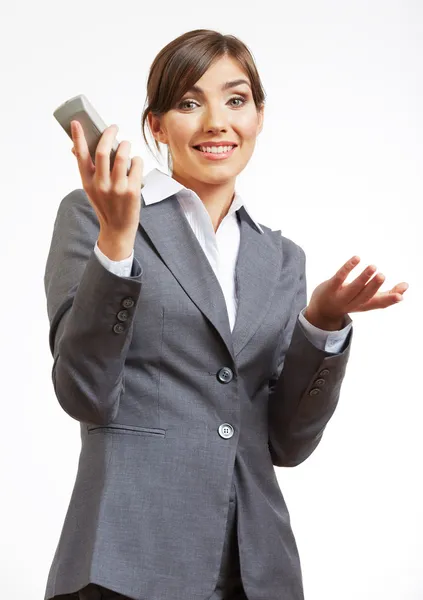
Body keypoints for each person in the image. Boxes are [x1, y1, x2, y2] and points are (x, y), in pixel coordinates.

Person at [44, 28, 408, 600]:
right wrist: (117, 239)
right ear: (156, 126)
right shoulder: (95, 215)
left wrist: (323, 322)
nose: (217, 121)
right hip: (129, 557)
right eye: (190, 103)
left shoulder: (282, 259)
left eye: (236, 100)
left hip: (256, 567)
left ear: (259, 117)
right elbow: (83, 391)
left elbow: (287, 443)